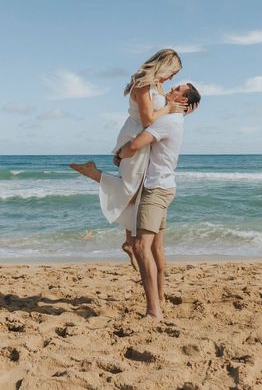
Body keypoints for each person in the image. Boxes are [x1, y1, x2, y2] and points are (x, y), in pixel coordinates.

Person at [70, 82, 201, 319]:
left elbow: (134, 145)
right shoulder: (176, 119)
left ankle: (154, 312)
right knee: (156, 247)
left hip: (155, 190)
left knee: (142, 247)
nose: (170, 90)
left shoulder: (168, 121)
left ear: (183, 101)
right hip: (164, 186)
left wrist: (120, 154)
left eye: (177, 90)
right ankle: (159, 297)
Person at [96, 49, 187, 268]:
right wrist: (169, 107)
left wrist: (174, 108)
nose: (172, 78)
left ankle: (129, 241)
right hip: (136, 133)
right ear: (164, 65)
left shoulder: (157, 84)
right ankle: (129, 241)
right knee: (131, 187)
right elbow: (148, 119)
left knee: (138, 189)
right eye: (172, 72)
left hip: (144, 138)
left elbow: (159, 116)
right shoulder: (143, 83)